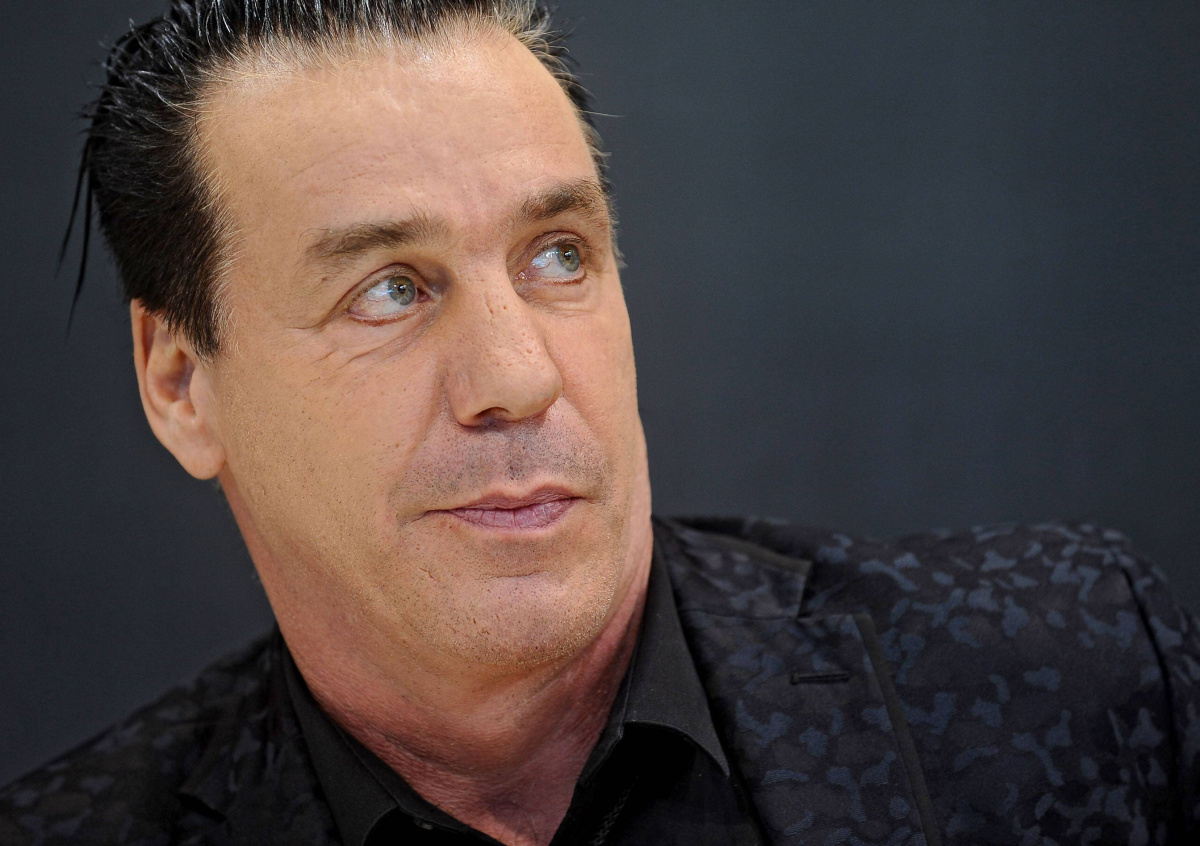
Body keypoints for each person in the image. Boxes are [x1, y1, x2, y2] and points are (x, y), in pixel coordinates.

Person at [2, 1, 1197, 843]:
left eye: (558, 255)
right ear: (180, 384)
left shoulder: (1072, 680)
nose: (518, 377)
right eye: (390, 290)